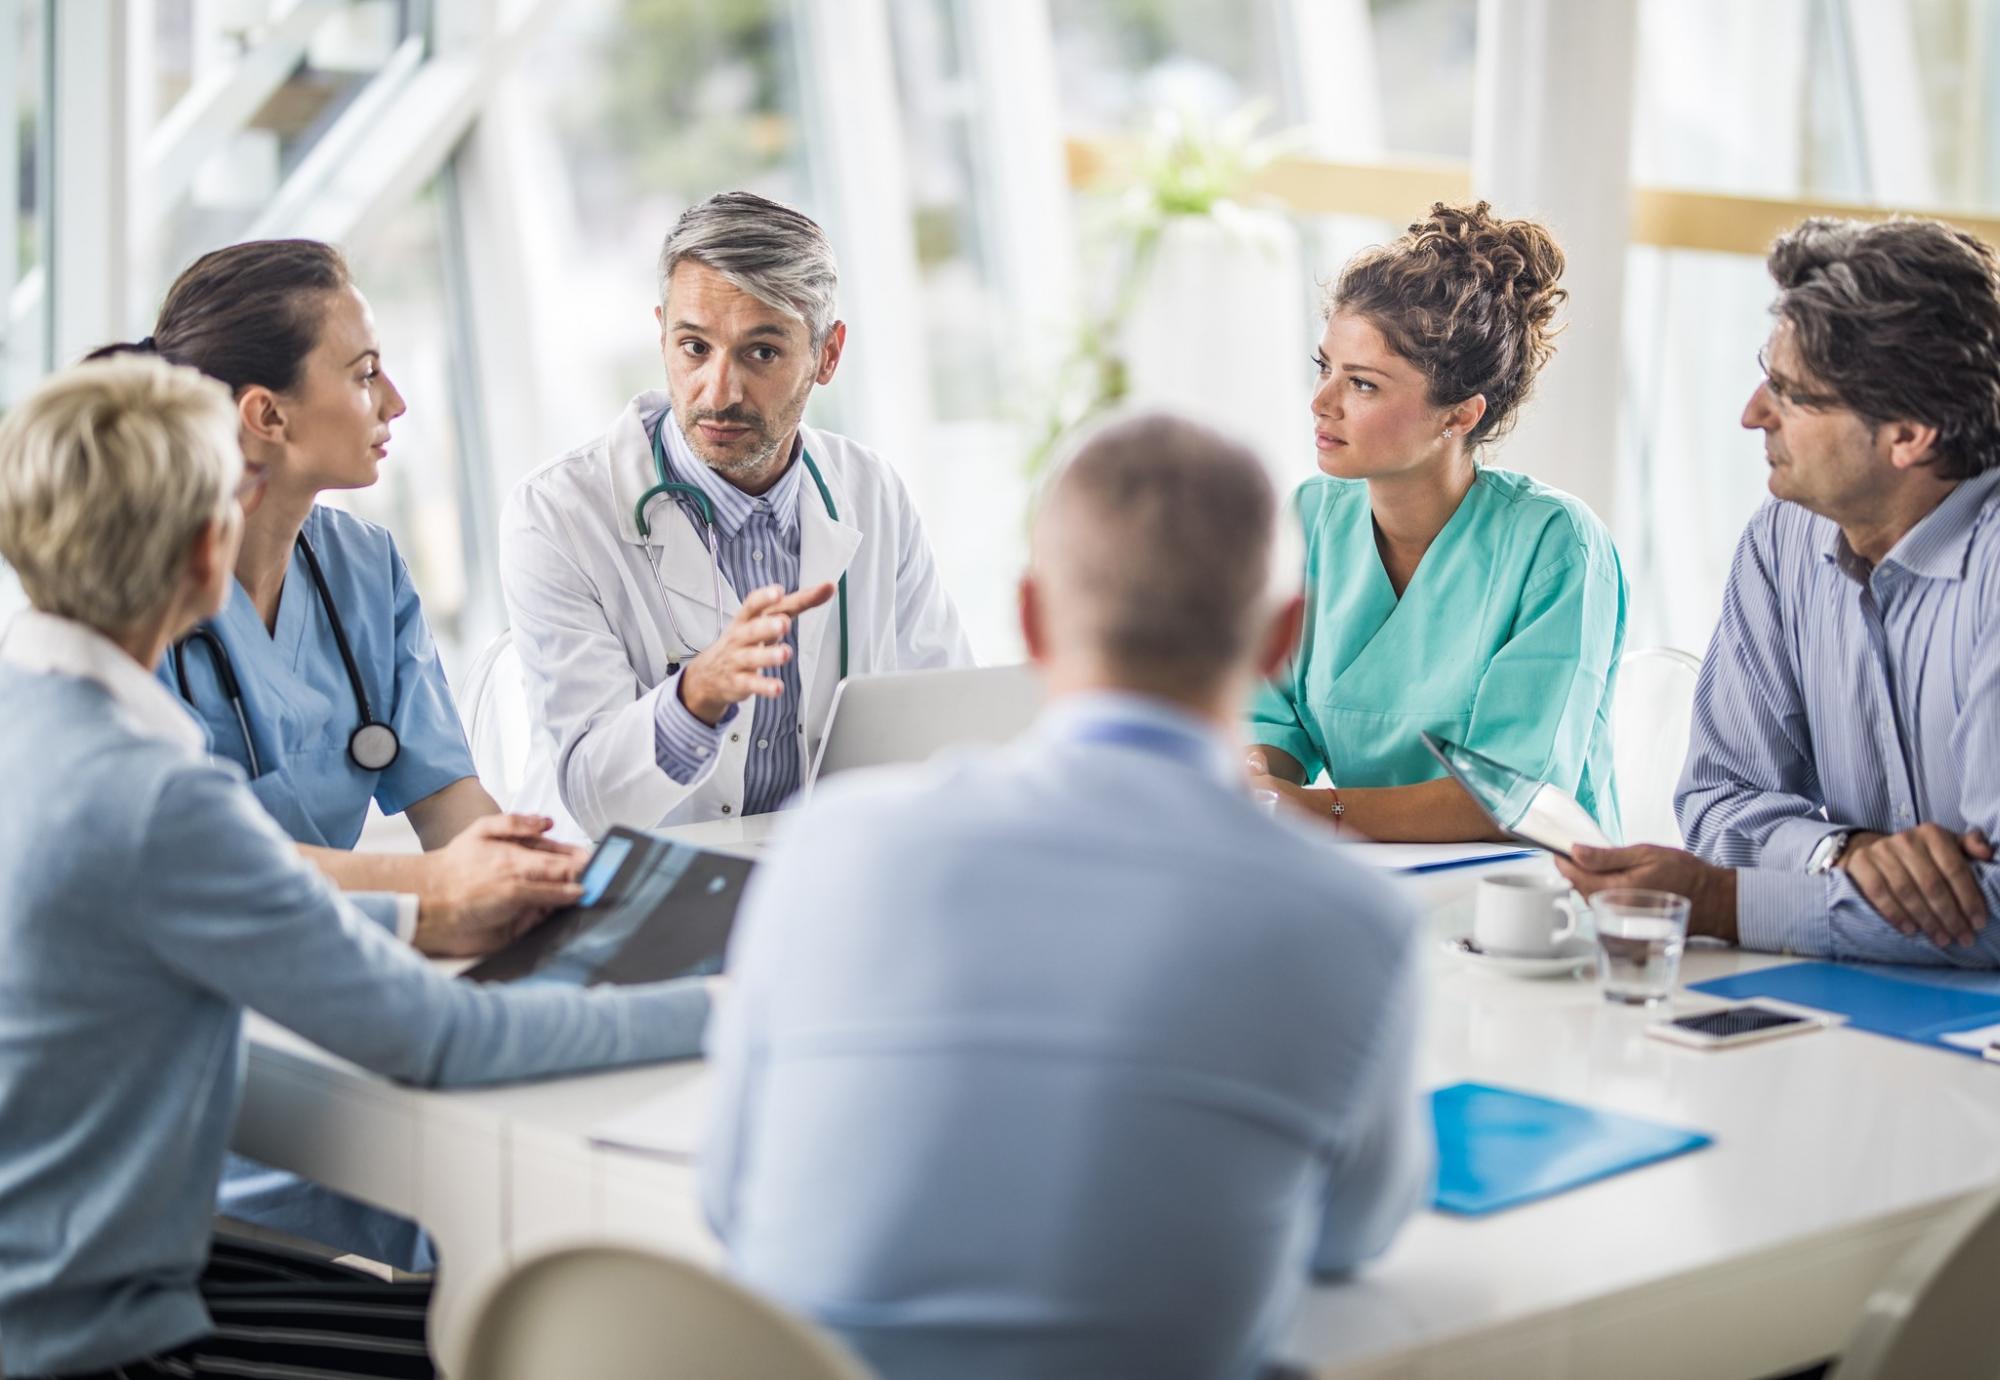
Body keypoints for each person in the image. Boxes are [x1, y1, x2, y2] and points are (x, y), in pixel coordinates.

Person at [0, 356, 713, 1379]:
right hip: (89, 1339)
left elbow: (177, 921)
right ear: (209, 549)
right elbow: (442, 1039)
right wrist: (734, 1006)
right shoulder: (154, 793)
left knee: (459, 1306)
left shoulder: (30, 721)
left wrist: (405, 924)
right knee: (524, 1350)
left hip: (67, 1268)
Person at [702, 411, 1432, 1380]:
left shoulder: (826, 843)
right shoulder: (1356, 925)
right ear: (1278, 639)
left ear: (1032, 619)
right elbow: (1350, 1237)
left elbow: (728, 1199)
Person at [95, 239, 582, 1268]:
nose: (394, 401)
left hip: (338, 986)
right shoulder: (141, 591)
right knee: (478, 1214)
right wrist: (437, 890)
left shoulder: (364, 567)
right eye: (363, 374)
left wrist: (533, 875)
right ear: (264, 416)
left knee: (513, 1191)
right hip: (208, 1047)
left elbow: (449, 801)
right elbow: (196, 861)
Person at [1556, 217, 2000, 969]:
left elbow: (1990, 907)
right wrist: (1841, 852)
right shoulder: (1783, 535)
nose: (1752, 412)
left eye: (1792, 394)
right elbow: (1719, 796)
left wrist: (1727, 901)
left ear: (1910, 434)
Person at [500, 191, 972, 840]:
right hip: (630, 893)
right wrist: (696, 697)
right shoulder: (556, 516)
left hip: (816, 878)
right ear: (661, 332)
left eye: (762, 354)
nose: (718, 392)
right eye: (694, 348)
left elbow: (948, 719)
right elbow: (585, 793)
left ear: (827, 355)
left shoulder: (873, 493)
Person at [1245, 202, 1626, 842]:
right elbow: (1270, 719)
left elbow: (1514, 797)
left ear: (1460, 416)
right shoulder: (1309, 518)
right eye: (1325, 368)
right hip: (1367, 871)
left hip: (1530, 893)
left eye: (1363, 384)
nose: (1321, 402)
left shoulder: (1556, 546)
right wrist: (1257, 785)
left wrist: (1316, 812)